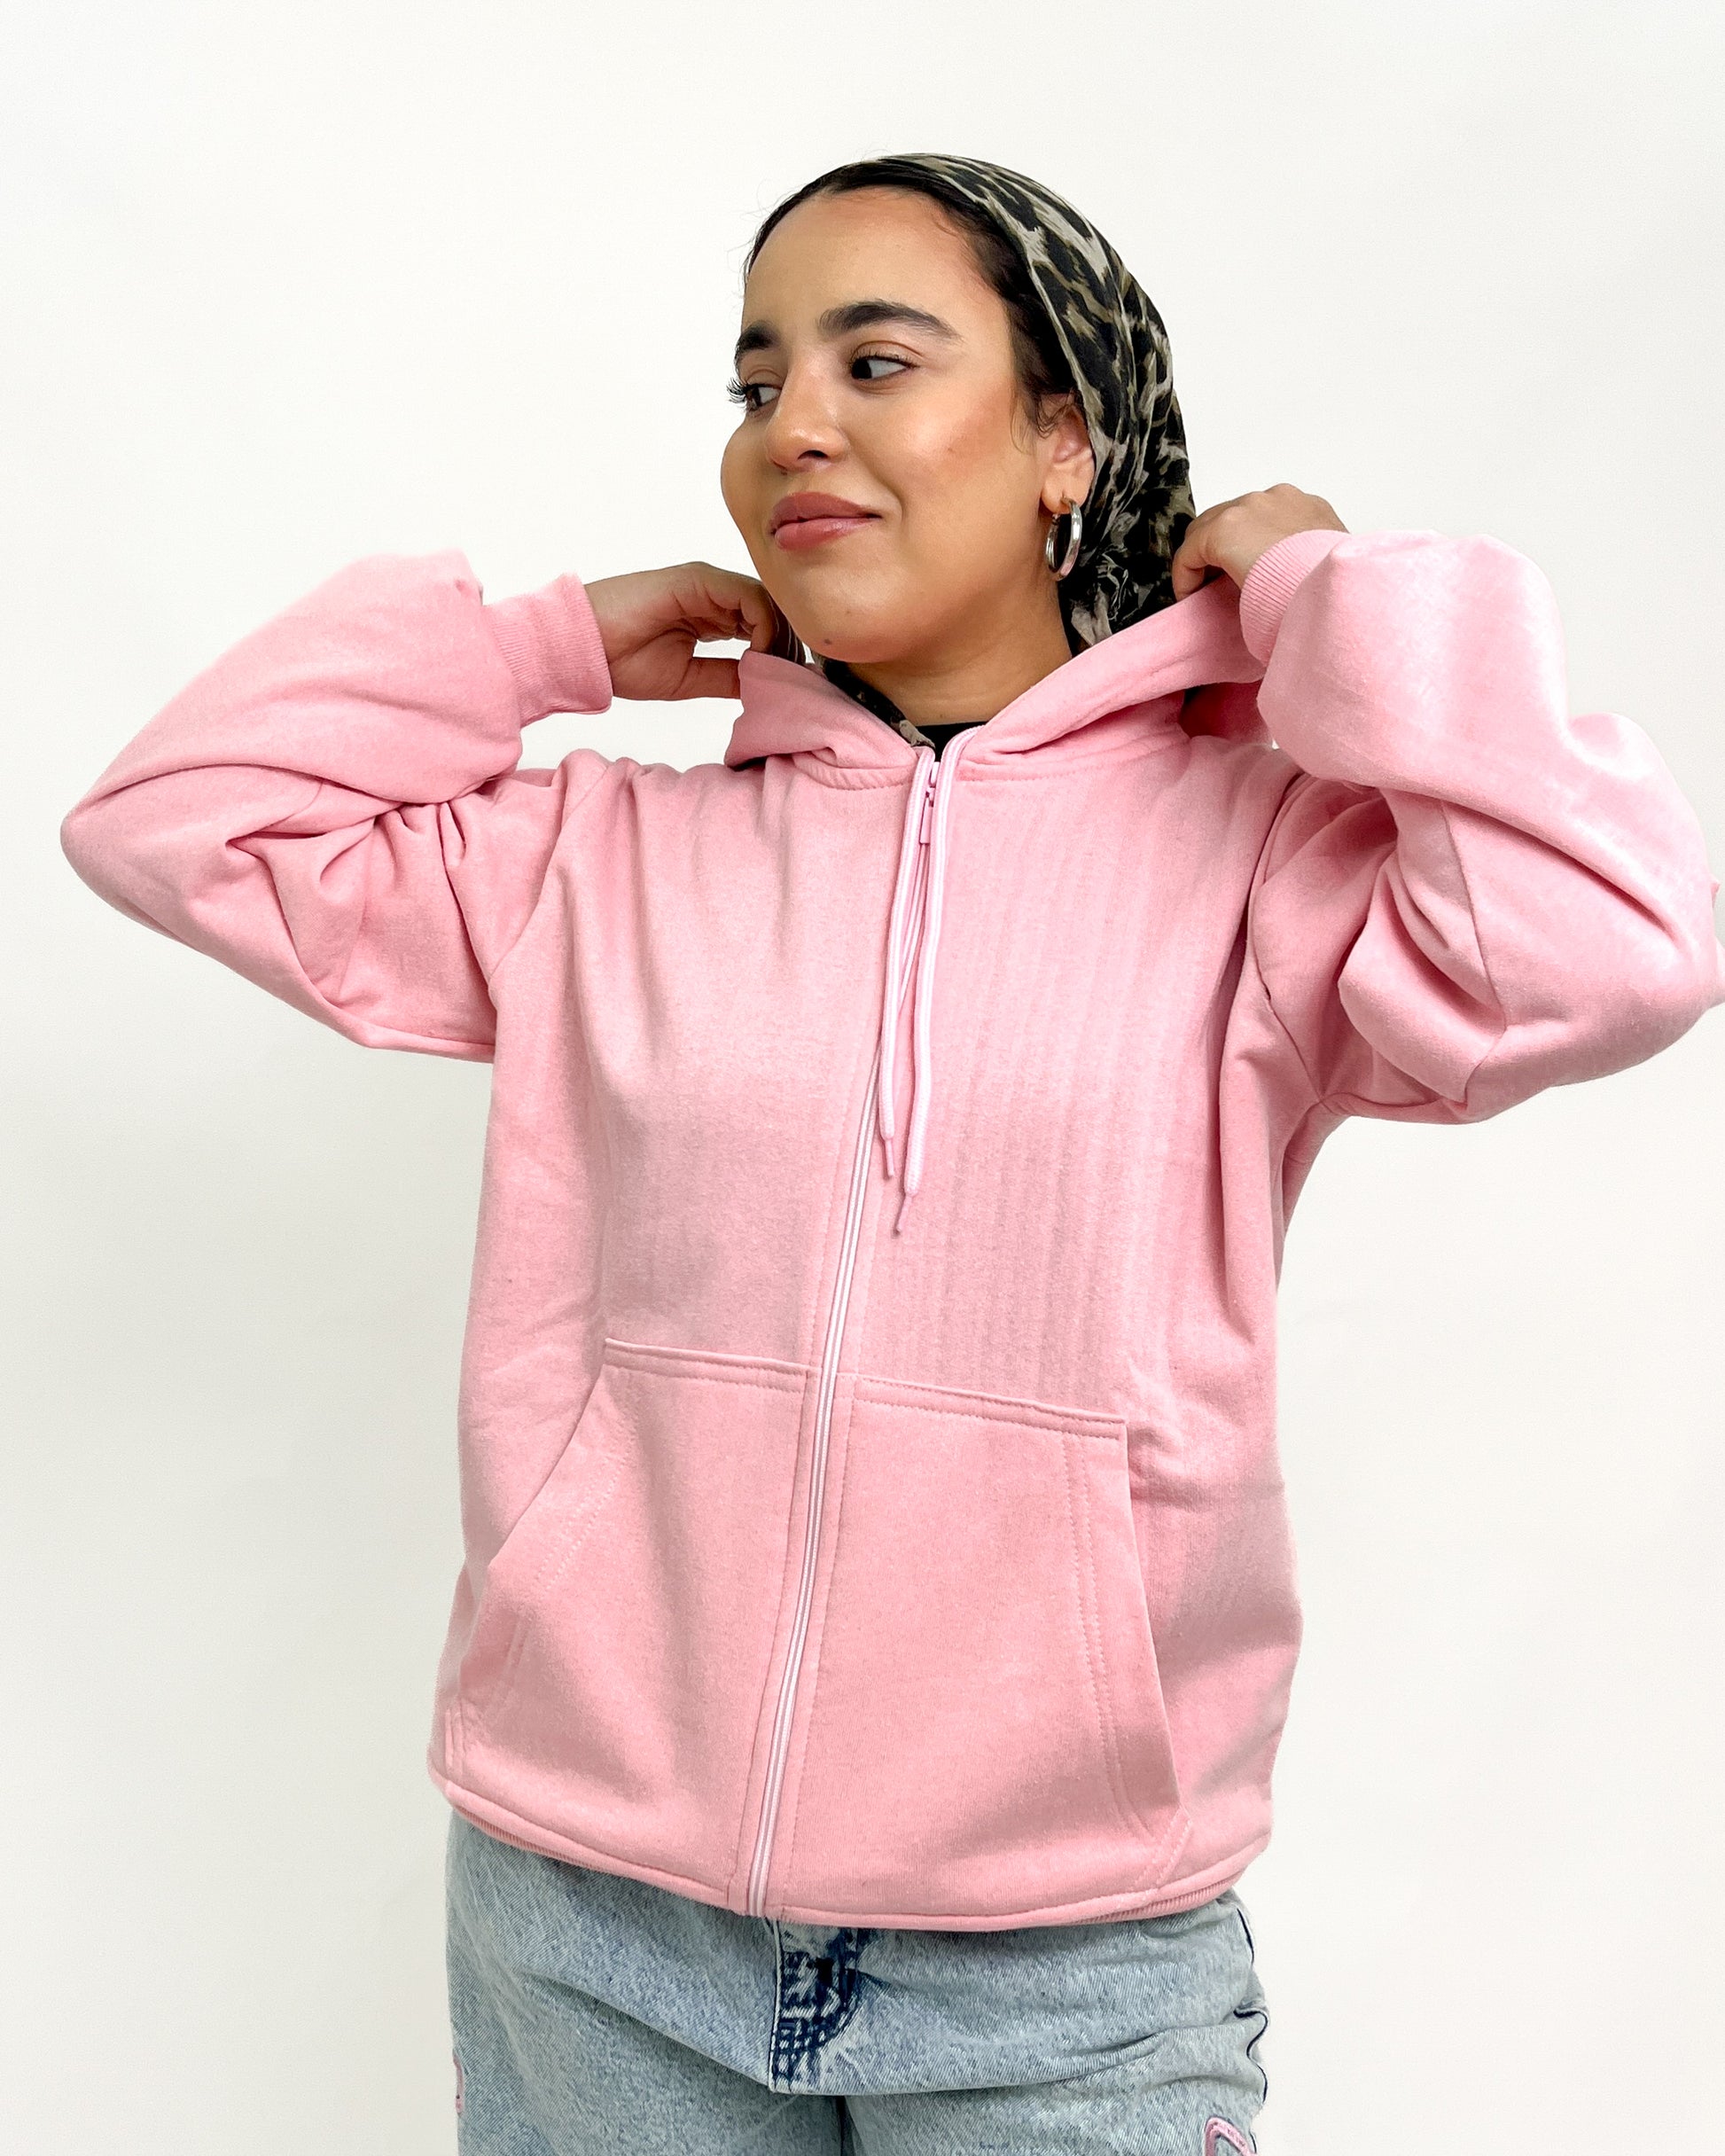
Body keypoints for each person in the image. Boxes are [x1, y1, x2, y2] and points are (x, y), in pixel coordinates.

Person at [60, 152, 1723, 2154]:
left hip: (1065, 1958)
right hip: (594, 1916)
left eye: (875, 360)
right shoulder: (604, 858)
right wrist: (531, 648)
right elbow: (172, 821)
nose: (794, 426)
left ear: (1061, 442)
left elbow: (1615, 945)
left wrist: (1331, 604)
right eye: (757, 379)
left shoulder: (1264, 861)